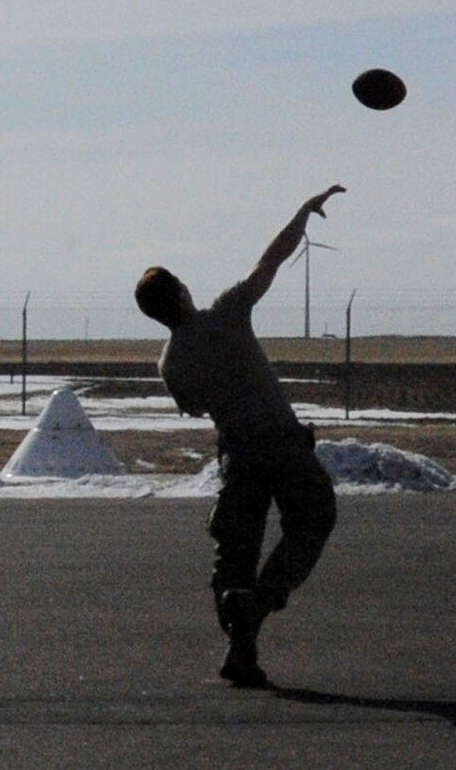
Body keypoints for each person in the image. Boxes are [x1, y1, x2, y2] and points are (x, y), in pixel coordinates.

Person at [135, 184, 345, 686]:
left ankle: (240, 645)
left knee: (233, 556)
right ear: (183, 293)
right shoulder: (228, 312)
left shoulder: (170, 363)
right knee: (313, 518)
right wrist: (301, 214)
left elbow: (194, 406)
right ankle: (261, 602)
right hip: (283, 444)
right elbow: (268, 264)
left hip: (239, 457)